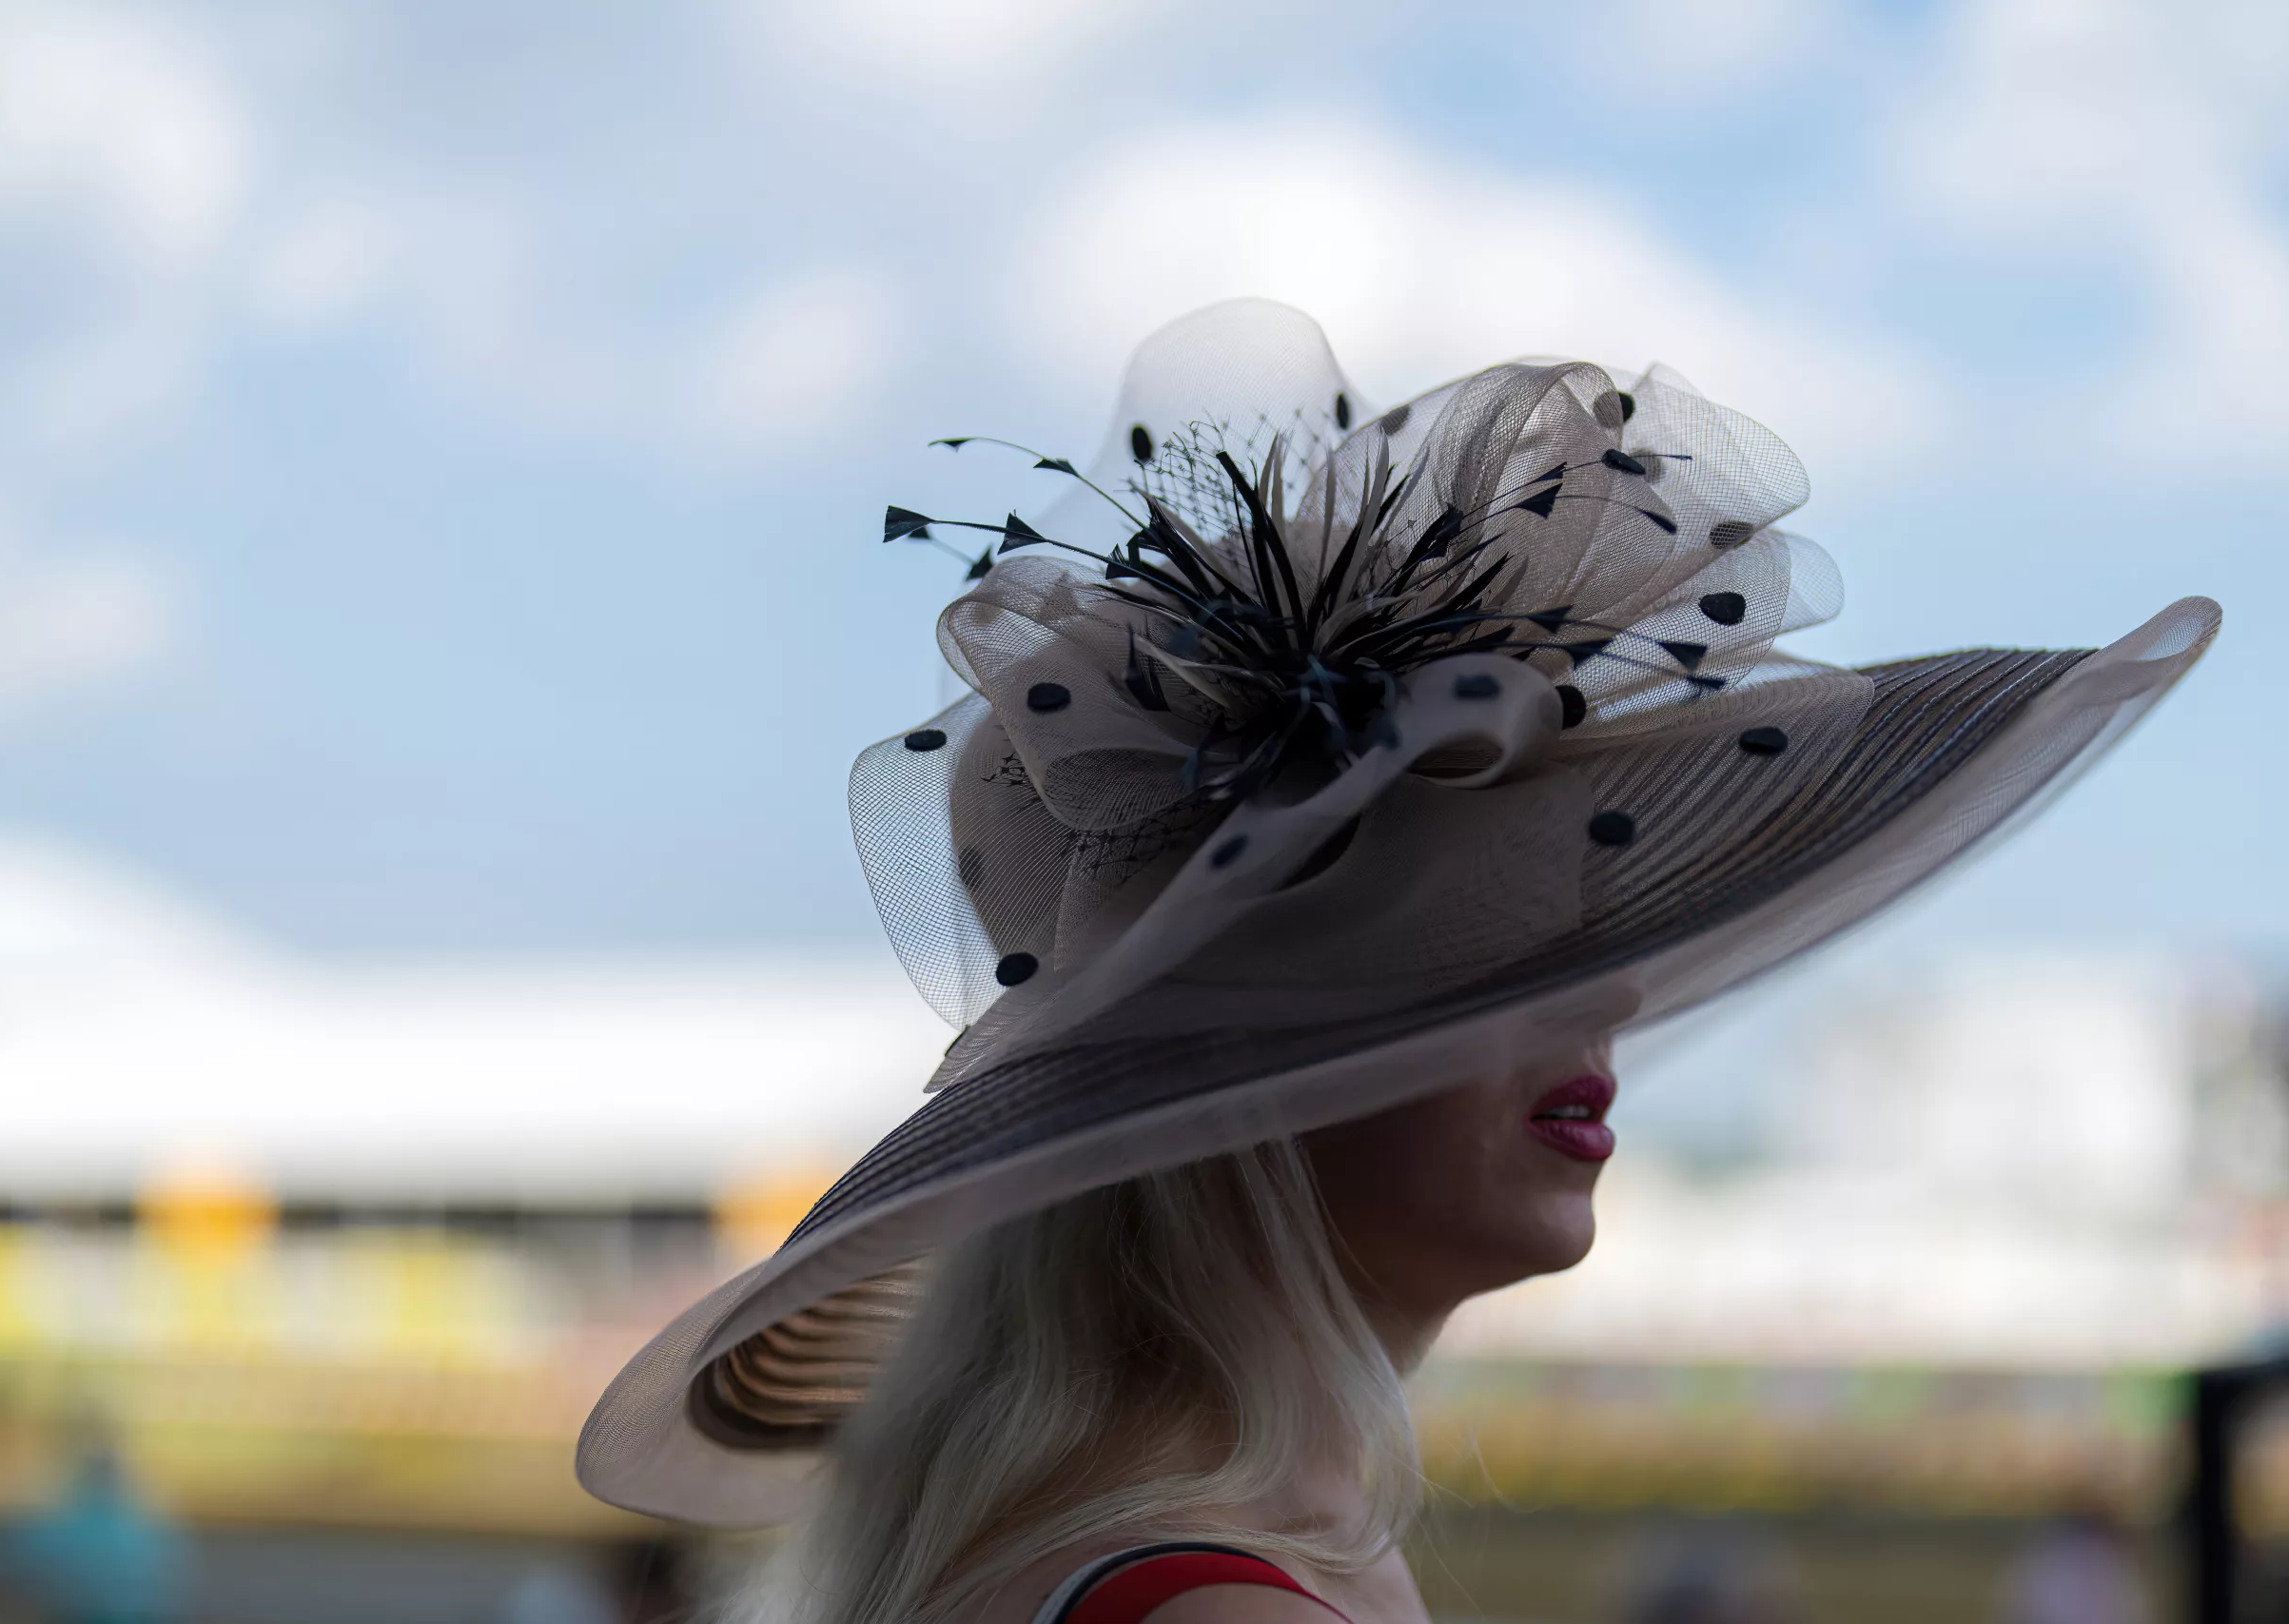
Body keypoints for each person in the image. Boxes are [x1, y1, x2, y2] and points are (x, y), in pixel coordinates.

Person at [577, 301, 2219, 1623]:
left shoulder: (1167, 1552)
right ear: (1245, 1081)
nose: (1607, 1004)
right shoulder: (1228, 1595)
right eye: (1485, 960)